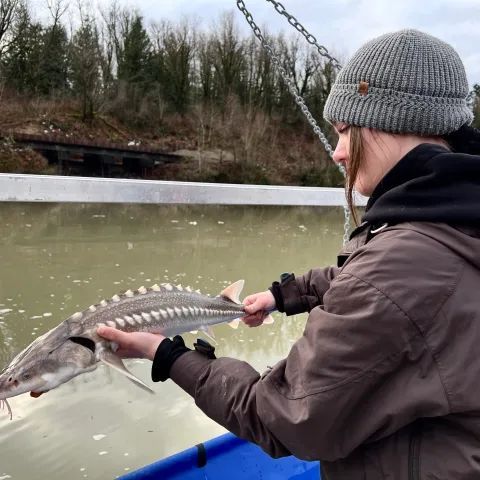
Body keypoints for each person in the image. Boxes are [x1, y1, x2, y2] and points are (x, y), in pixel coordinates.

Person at [98, 29, 480, 479]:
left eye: (343, 132)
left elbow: (282, 417)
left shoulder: (403, 261)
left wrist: (166, 354)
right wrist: (285, 294)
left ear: (387, 121)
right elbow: (406, 295)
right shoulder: (453, 217)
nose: (338, 153)